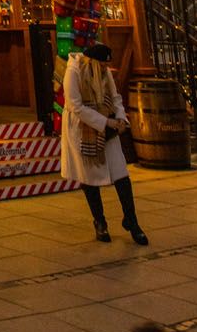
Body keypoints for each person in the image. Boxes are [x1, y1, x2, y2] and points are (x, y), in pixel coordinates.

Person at [61, 43, 148, 245]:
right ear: (92, 62)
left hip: (107, 126)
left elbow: (115, 96)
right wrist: (106, 122)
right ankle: (99, 221)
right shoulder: (73, 72)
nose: (104, 69)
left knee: (121, 174)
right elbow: (75, 105)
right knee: (89, 176)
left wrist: (120, 118)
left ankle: (131, 219)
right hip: (83, 129)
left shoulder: (104, 72)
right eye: (101, 65)